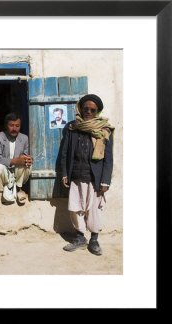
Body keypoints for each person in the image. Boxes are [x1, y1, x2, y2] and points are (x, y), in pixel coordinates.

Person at [60, 94, 114, 256]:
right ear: (80, 109)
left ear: (97, 111)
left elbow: (108, 158)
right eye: (86, 109)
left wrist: (105, 180)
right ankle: (79, 238)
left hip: (95, 178)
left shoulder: (104, 130)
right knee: (75, 209)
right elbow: (64, 153)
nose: (88, 112)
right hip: (76, 176)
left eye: (92, 110)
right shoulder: (72, 127)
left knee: (94, 210)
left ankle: (94, 240)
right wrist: (64, 174)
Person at [0, 112, 33, 205]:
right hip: (4, 171)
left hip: (17, 172)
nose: (14, 129)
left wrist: (28, 160)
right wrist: (15, 161)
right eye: (11, 125)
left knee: (26, 164)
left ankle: (18, 189)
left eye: (17, 126)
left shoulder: (24, 138)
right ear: (6, 126)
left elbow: (25, 156)